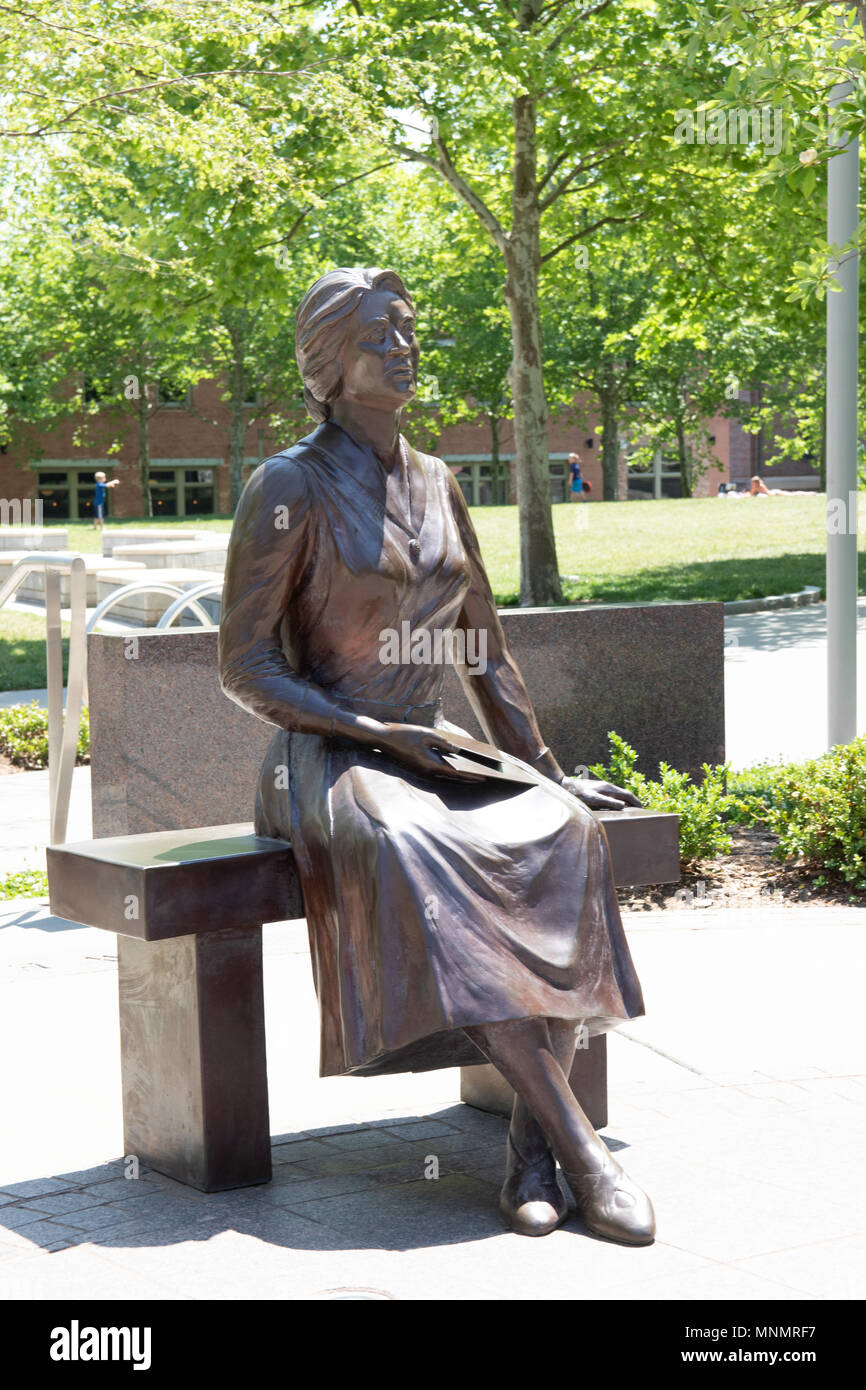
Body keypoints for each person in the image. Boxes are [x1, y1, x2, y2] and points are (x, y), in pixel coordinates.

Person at [218, 267, 655, 1245]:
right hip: (327, 757)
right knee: (420, 853)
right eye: (382, 334)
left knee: (561, 831)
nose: (406, 347)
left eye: (410, 331)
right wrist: (371, 732)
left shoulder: (438, 482)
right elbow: (241, 666)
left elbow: (481, 653)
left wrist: (540, 766)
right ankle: (577, 1150)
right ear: (327, 363)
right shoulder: (286, 487)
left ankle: (528, 1146)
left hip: (432, 748)